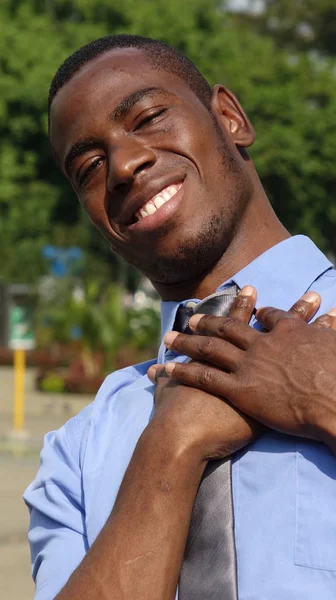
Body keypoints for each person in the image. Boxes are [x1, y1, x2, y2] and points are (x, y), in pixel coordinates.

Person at [24, 34, 336, 600]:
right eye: (89, 166)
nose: (123, 165)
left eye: (148, 118)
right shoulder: (77, 451)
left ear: (230, 117)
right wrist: (171, 443)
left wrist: (325, 395)